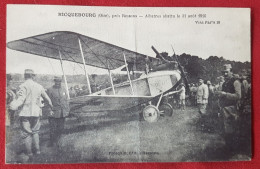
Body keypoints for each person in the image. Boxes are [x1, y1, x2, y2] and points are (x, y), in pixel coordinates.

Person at [9, 69, 53, 157]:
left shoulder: (22, 86)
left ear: (25, 76)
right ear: (33, 76)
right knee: (35, 132)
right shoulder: (39, 86)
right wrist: (51, 107)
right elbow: (47, 98)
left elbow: (20, 100)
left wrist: (12, 106)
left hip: (25, 113)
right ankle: (38, 151)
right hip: (36, 112)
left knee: (26, 133)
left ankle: (29, 153)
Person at [215, 64, 242, 148]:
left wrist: (225, 94)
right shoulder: (224, 83)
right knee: (225, 129)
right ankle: (228, 147)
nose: (225, 74)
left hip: (232, 108)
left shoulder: (236, 82)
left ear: (231, 71)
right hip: (224, 108)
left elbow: (238, 96)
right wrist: (219, 95)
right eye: (224, 72)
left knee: (231, 129)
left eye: (227, 72)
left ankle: (232, 149)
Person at [47, 76, 70, 146]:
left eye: (59, 81)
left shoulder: (63, 89)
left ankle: (58, 141)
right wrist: (49, 110)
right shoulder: (50, 90)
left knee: (61, 128)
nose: (58, 83)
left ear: (60, 82)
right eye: (56, 81)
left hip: (62, 112)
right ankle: (52, 142)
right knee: (52, 128)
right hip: (53, 112)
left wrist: (67, 109)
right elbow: (47, 101)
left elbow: (66, 99)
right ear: (54, 81)